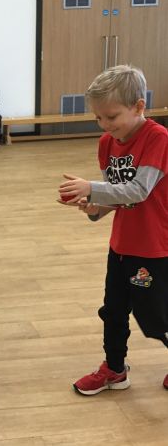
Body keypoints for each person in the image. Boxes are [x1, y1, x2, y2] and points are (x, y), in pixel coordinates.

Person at [58, 65, 168, 395]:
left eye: (112, 116)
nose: (105, 125)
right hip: (121, 246)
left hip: (154, 248)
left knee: (155, 317)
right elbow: (117, 195)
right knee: (113, 311)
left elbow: (138, 190)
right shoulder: (107, 143)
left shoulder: (158, 139)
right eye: (98, 118)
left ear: (138, 106)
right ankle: (115, 369)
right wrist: (95, 207)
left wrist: (92, 188)